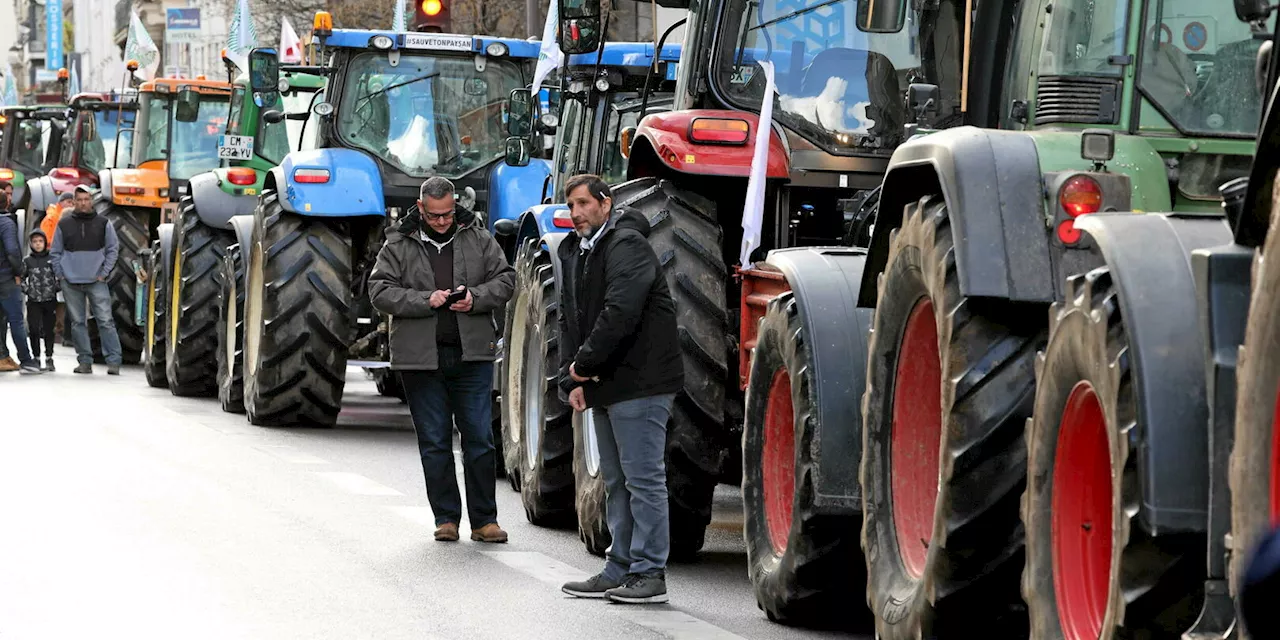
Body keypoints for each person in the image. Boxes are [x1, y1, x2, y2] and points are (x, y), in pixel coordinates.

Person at [557, 174, 683, 604]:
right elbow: (574, 318)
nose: (575, 213)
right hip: (606, 384)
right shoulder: (580, 250)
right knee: (616, 481)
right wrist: (572, 379)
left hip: (641, 383)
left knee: (643, 481)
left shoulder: (626, 246)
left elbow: (619, 314)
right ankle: (619, 567)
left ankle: (650, 574)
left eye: (583, 204)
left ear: (606, 203)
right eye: (570, 206)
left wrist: (581, 368)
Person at [369, 176, 515, 544]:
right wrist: (424, 300)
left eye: (447, 214)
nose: (441, 222)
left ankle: (485, 521)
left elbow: (507, 279)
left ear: (455, 206)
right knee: (434, 442)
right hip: (421, 360)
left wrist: (476, 297)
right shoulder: (397, 243)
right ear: (421, 208)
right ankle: (446, 519)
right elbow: (379, 290)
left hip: (473, 355)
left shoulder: (479, 237)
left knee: (480, 439)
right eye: (434, 216)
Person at [51, 184, 121, 375]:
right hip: (70, 281)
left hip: (96, 280)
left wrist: (104, 273)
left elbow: (113, 249)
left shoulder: (103, 223)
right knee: (77, 322)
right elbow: (55, 251)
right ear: (74, 202)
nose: (83, 203)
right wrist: (61, 274)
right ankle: (84, 361)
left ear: (91, 200)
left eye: (86, 199)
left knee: (105, 320)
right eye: (79, 200)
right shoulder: (64, 224)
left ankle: (114, 361)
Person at [0, 195, 41, 374]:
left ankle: (2, 356)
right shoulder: (7, 224)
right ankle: (26, 360)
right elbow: (12, 251)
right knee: (16, 320)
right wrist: (19, 272)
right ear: (7, 203)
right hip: (6, 278)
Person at [22, 229, 58, 370]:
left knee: (49, 330)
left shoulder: (52, 259)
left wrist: (55, 288)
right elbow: (21, 278)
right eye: (35, 241)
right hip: (33, 301)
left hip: (49, 300)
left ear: (45, 243)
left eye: (40, 241)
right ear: (31, 244)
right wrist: (28, 291)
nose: (38, 244)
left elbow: (59, 275)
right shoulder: (27, 261)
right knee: (34, 329)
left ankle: (49, 357)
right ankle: (36, 357)